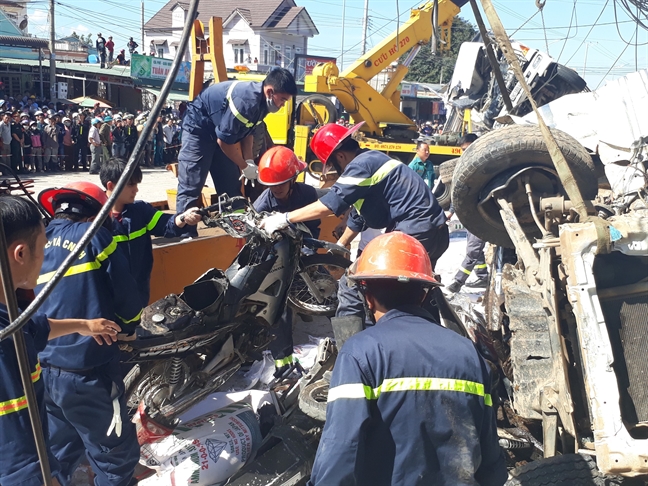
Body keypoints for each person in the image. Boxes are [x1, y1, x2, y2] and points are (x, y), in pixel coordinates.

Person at [307, 232, 507, 486]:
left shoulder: (360, 353)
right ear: (423, 294)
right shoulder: (468, 353)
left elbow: (340, 450)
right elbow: (491, 461)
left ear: (367, 295)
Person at [261, 122, 449, 341]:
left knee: (356, 286)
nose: (336, 171)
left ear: (340, 157)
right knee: (417, 292)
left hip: (413, 231)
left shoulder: (360, 165)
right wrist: (341, 244)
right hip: (435, 232)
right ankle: (433, 341)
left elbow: (330, 204)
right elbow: (360, 215)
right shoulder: (373, 160)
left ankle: (356, 351)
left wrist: (284, 218)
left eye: (332, 164)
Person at [0, 195, 122, 486]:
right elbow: (15, 435)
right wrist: (45, 479)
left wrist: (84, 325)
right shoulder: (6, 348)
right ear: (20, 254)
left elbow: (36, 327)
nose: (43, 258)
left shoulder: (11, 319)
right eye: (41, 249)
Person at [35, 181, 143, 486]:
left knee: (61, 449)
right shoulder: (95, 236)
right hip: (89, 373)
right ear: (96, 214)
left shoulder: (39, 241)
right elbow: (125, 294)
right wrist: (129, 328)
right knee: (115, 457)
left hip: (46, 369)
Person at [176, 67, 297, 237]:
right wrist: (242, 165)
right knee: (192, 183)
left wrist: (249, 161)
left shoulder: (262, 105)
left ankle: (237, 232)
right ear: (270, 91)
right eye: (283, 99)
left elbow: (247, 133)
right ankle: (185, 236)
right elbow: (224, 142)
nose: (283, 104)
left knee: (231, 186)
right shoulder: (245, 101)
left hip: (221, 132)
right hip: (199, 129)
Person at [99, 158, 202, 307]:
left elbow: (166, 224)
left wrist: (184, 218)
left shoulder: (141, 211)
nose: (136, 190)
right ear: (111, 185)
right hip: (108, 294)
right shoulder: (94, 217)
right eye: (131, 184)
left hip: (138, 290)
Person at [253, 146, 320, 372]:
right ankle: (284, 363)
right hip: (276, 261)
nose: (277, 189)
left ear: (293, 179)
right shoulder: (263, 205)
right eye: (272, 185)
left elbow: (315, 225)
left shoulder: (308, 195)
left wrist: (309, 251)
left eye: (281, 183)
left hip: (304, 255)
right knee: (279, 308)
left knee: (329, 291)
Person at [446, 133, 489, 293]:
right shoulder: (468, 166)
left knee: (473, 250)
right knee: (475, 249)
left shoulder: (484, 166)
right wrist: (451, 212)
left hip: (483, 215)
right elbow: (458, 192)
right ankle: (483, 277)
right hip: (473, 216)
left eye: (466, 149)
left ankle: (458, 282)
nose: (464, 153)